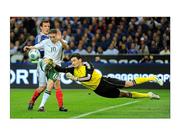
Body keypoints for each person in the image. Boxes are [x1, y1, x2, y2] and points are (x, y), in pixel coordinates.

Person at [44, 53, 163, 100]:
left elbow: (88, 77)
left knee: (129, 84)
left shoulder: (87, 65)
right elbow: (61, 69)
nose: (72, 63)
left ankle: (151, 77)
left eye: (74, 61)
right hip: (98, 90)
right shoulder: (73, 69)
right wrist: (51, 63)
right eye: (72, 61)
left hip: (104, 82)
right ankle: (149, 95)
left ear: (80, 60)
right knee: (125, 95)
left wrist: (76, 79)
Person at [24, 29, 69, 112]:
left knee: (56, 85)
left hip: (57, 66)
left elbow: (66, 47)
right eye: (50, 37)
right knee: (43, 86)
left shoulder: (61, 42)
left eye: (53, 37)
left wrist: (60, 40)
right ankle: (33, 102)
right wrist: (28, 47)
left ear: (57, 35)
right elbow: (36, 46)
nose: (51, 38)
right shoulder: (45, 42)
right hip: (46, 64)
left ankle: (60, 106)